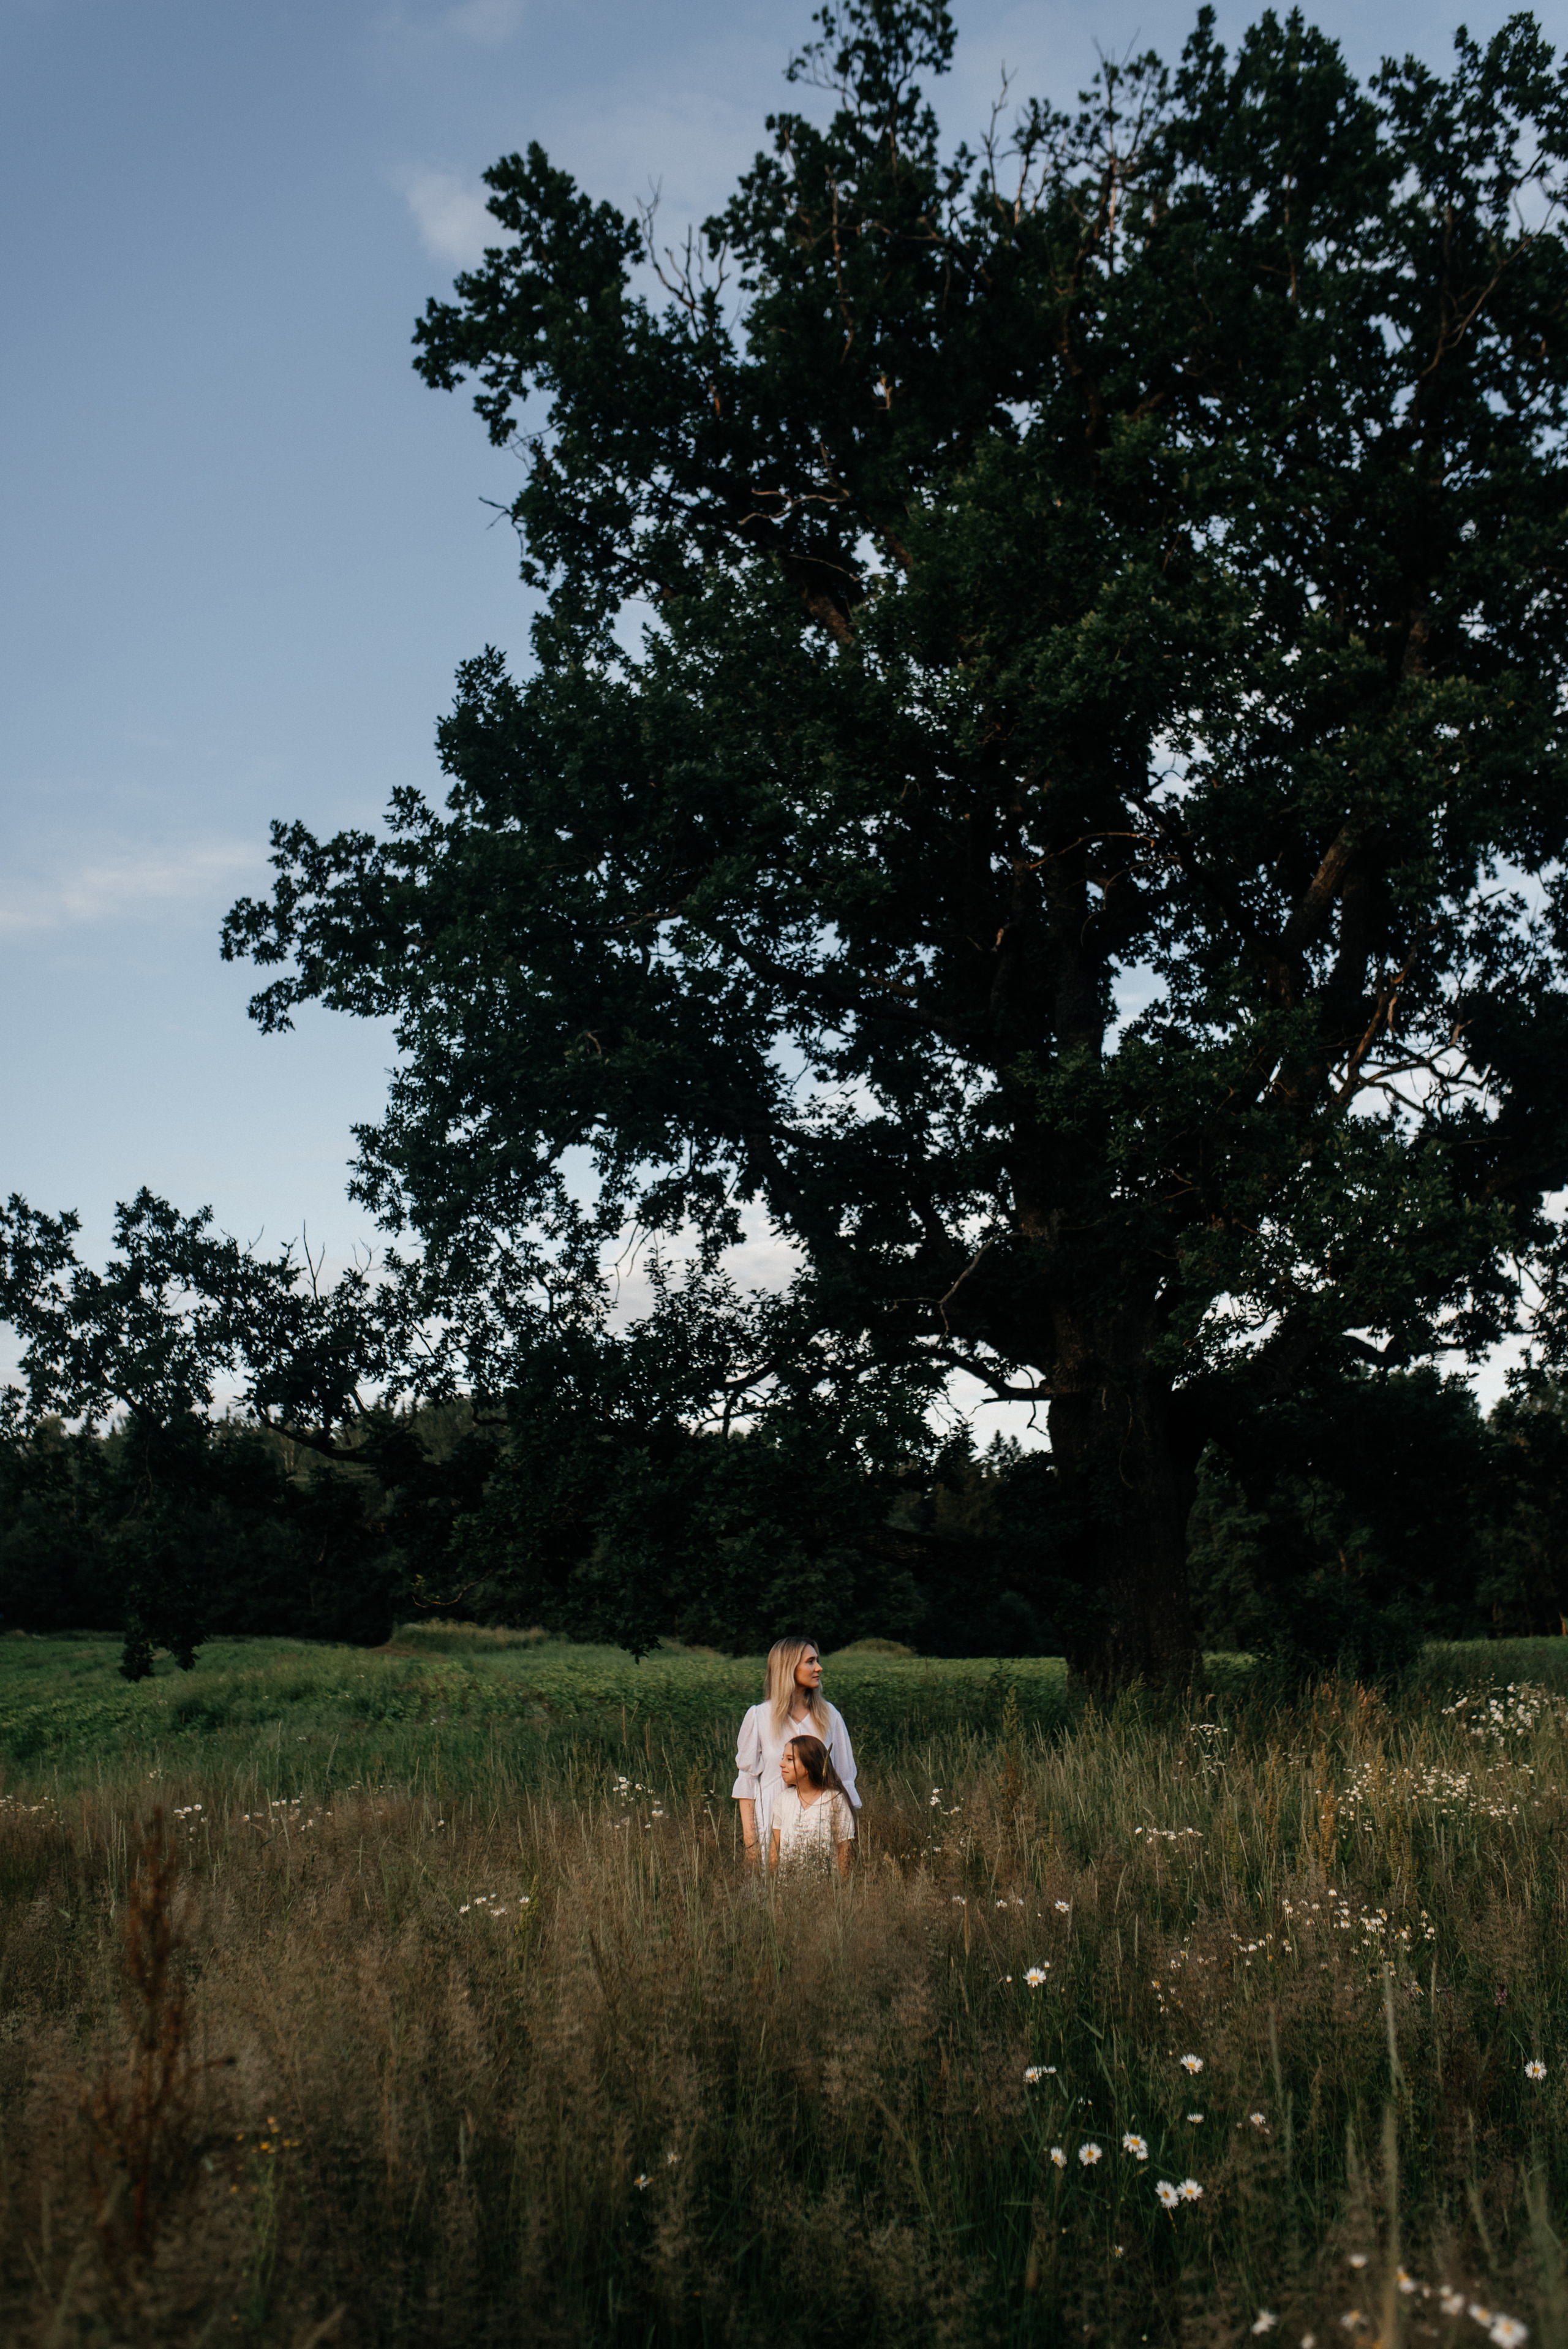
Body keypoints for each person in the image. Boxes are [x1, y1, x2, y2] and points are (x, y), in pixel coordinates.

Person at [732, 1635, 859, 1867]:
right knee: (768, 1894)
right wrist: (751, 1844)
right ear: (788, 1668)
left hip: (819, 1826)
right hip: (771, 1821)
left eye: (817, 1661)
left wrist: (846, 1839)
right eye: (810, 1661)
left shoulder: (830, 1716)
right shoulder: (759, 1717)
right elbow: (747, 1784)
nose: (819, 1668)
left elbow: (843, 1778)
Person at [770, 1734, 855, 1880]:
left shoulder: (835, 1800)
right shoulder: (783, 1800)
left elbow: (844, 1851)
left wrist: (842, 1891)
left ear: (809, 1766)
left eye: (790, 1760)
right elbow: (775, 1850)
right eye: (783, 1758)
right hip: (787, 1888)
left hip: (825, 1889)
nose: (782, 1764)